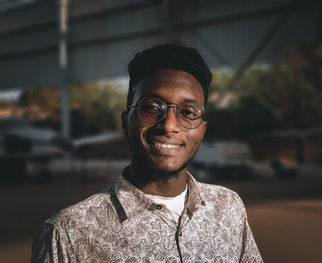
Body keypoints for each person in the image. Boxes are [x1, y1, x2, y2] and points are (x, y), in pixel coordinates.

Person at [31, 44, 263, 262]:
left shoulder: (229, 207)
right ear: (126, 121)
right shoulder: (68, 233)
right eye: (152, 108)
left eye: (188, 112)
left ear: (202, 130)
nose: (169, 125)